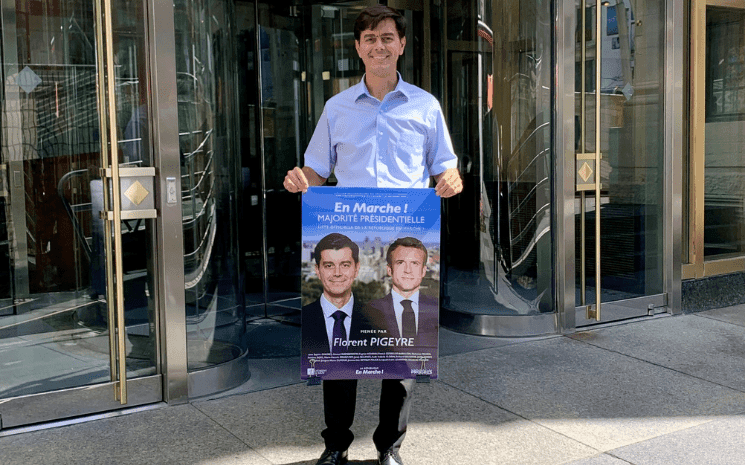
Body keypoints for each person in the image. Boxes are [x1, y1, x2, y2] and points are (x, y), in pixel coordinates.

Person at [283, 5, 463, 465]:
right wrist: (299, 179)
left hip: (405, 245)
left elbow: (447, 166)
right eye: (369, 37)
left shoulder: (426, 106)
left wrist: (452, 179)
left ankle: (390, 448)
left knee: (401, 355)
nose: (378, 45)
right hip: (348, 242)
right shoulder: (336, 108)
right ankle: (336, 445)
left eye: (387, 37)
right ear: (358, 47)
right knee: (340, 351)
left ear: (401, 45)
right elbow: (316, 170)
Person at [365, 237, 438, 352]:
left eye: (414, 263)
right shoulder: (370, 311)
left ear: (423, 271)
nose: (408, 270)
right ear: (389, 270)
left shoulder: (436, 308)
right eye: (400, 263)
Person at [302, 233, 370, 356]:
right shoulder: (302, 320)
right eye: (329, 266)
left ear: (356, 268)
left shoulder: (377, 320)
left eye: (345, 265)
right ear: (317, 270)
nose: (337, 273)